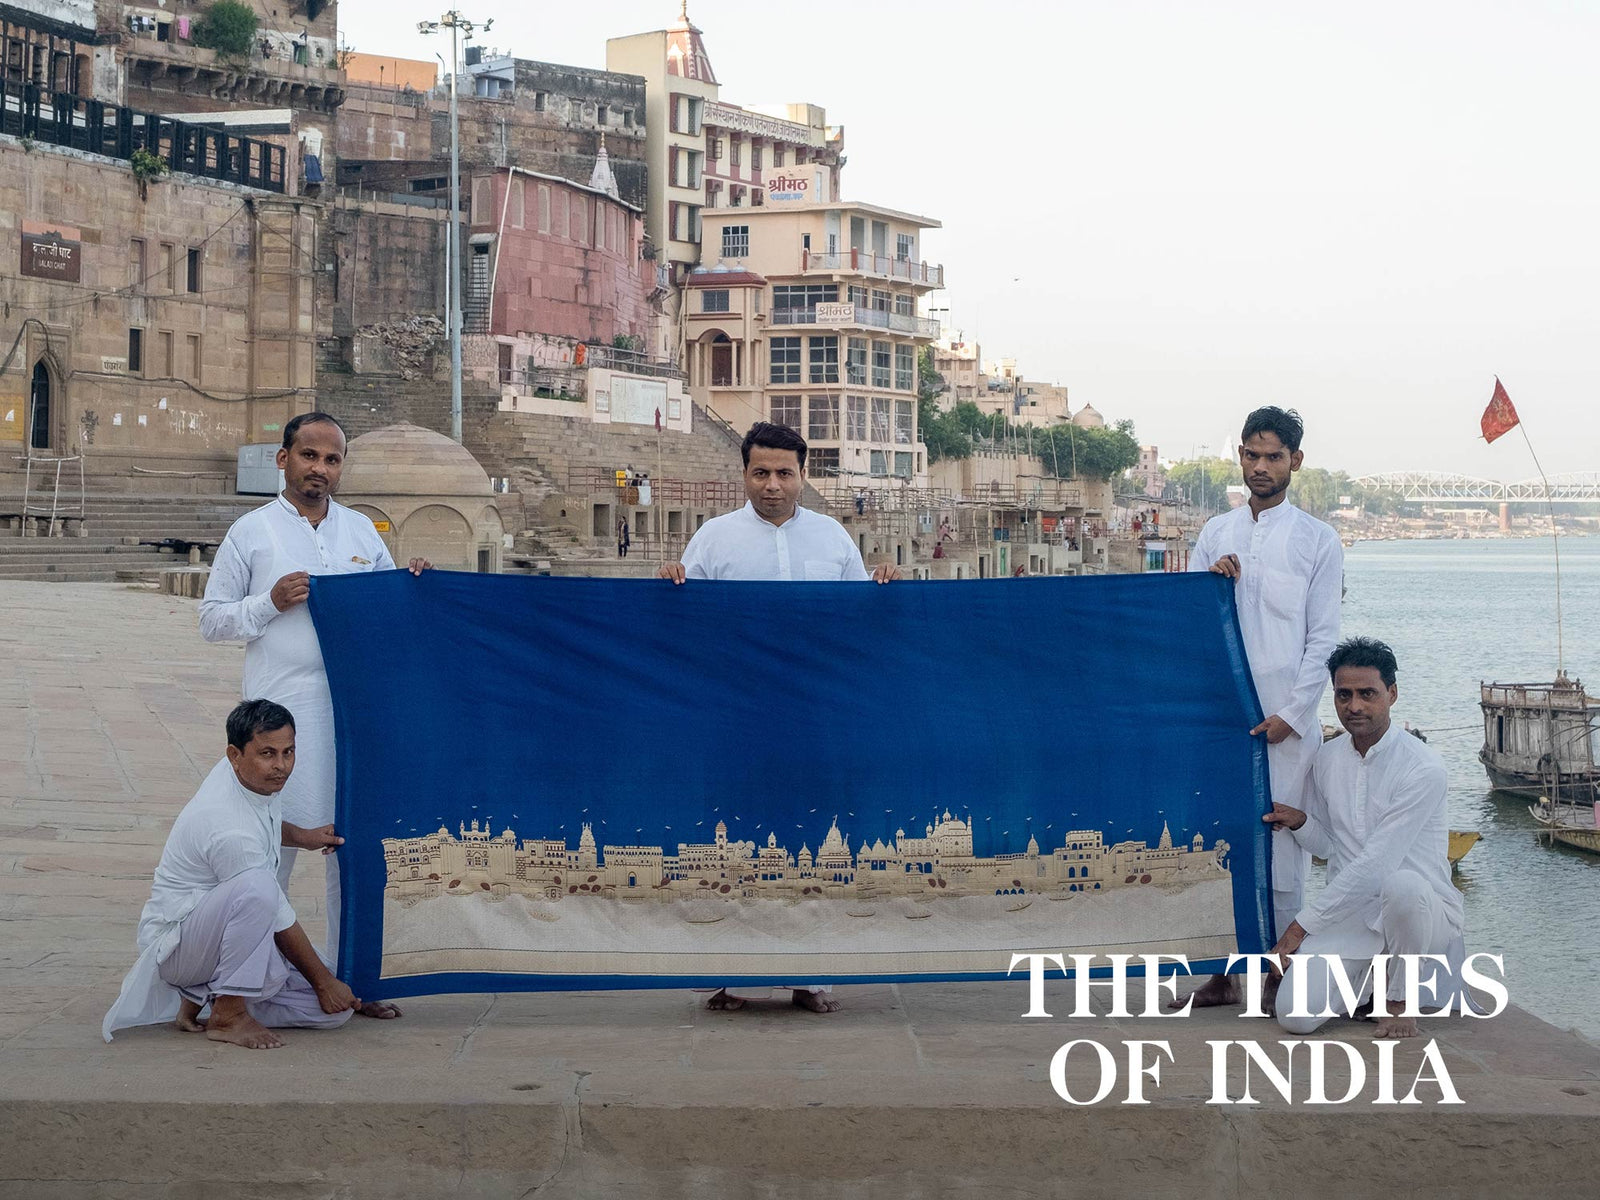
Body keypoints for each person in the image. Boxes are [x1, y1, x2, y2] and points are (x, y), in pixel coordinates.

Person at [658, 422, 899, 1014]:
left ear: (802, 475)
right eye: (760, 473)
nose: (772, 485)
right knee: (735, 837)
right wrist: (668, 586)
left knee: (811, 838)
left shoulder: (833, 539)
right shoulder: (712, 541)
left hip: (815, 718)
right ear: (743, 474)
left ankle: (811, 977)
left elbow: (857, 624)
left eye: (784, 473)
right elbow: (684, 627)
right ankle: (732, 976)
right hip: (737, 716)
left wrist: (883, 586)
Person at [198, 412, 424, 993]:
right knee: (271, 854)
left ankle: (350, 980)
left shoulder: (360, 533)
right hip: (278, 724)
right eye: (309, 456)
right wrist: (267, 604)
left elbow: (389, 614)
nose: (319, 469)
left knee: (346, 852)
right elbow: (212, 620)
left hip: (349, 718)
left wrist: (413, 582)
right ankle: (240, 989)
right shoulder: (251, 532)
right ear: (283, 459)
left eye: (331, 459)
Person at [1176, 406, 1342, 1010]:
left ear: (1296, 461)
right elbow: (1190, 623)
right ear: (1239, 457)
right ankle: (1223, 973)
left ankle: (1277, 971)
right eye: (1252, 455)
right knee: (1218, 833)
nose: (1261, 467)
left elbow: (1322, 638)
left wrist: (1294, 715)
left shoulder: (1319, 541)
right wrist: (1212, 583)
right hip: (1221, 714)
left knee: (1282, 841)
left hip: (1286, 720)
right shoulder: (1215, 533)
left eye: (1274, 456)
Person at [102, 700, 384, 1048]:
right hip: (178, 949)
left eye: (288, 752)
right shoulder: (226, 828)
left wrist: (304, 838)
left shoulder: (247, 777)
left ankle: (205, 998)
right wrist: (324, 982)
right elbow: (275, 911)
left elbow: (262, 821)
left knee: (332, 1013)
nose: (281, 766)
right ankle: (228, 1014)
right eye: (268, 753)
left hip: (220, 934)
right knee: (261, 888)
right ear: (234, 754)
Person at [1265, 638, 1465, 1039]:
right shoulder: (1326, 758)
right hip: (1351, 913)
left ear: (1391, 694)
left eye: (1367, 694)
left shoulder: (1423, 768)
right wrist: (1302, 822)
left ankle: (1398, 1000)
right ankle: (1365, 983)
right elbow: (1332, 849)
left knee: (1402, 885)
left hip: (1419, 916)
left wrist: (1298, 928)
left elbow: (1377, 864)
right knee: (1294, 1017)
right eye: (1344, 695)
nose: (1354, 706)